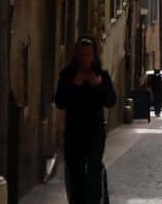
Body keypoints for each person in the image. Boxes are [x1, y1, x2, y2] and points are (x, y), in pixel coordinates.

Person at [55, 37, 116, 204]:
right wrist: (75, 84)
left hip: (95, 132)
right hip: (74, 133)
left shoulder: (101, 76)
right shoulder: (67, 75)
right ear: (76, 56)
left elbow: (111, 101)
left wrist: (97, 85)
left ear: (94, 56)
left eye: (88, 55)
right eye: (81, 55)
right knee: (75, 173)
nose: (84, 59)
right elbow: (60, 102)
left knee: (93, 171)